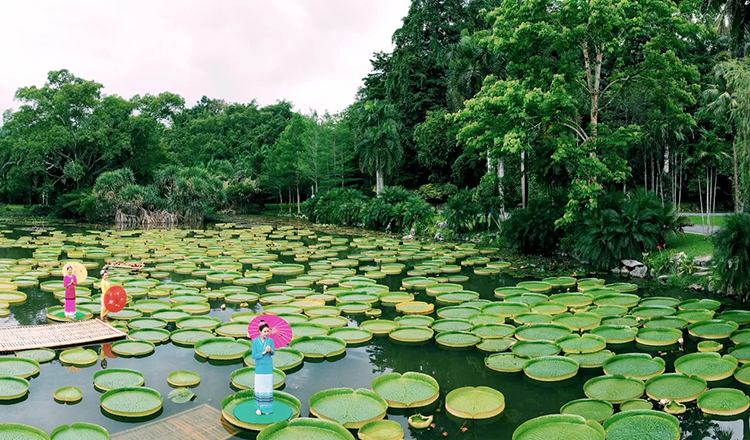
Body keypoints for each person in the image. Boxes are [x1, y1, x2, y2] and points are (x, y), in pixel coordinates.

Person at [251, 321, 275, 415]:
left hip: (268, 366)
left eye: (267, 331)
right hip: (260, 367)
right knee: (259, 387)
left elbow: (273, 353)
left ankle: (267, 408)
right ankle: (259, 407)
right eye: (264, 331)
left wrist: (271, 350)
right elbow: (254, 355)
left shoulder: (270, 341)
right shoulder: (255, 342)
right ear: (260, 331)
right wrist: (263, 353)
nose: (266, 333)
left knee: (267, 386)